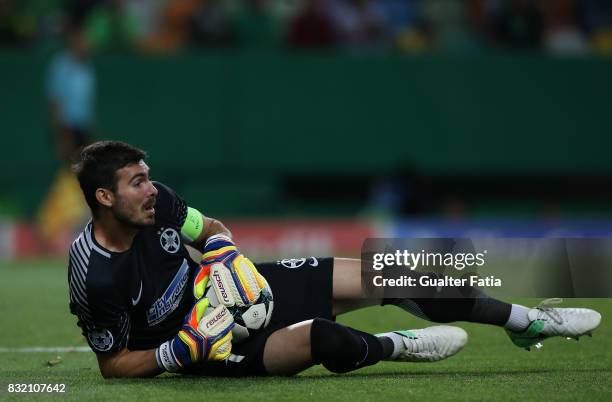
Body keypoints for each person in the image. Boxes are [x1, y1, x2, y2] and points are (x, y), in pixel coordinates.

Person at [68, 140, 602, 378]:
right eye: (136, 182)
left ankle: (525, 321)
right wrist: (178, 352)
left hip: (243, 290)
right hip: (205, 346)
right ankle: (398, 345)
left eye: (147, 177)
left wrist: (224, 254)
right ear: (105, 198)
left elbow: (209, 229)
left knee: (394, 271)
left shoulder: (158, 202)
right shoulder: (94, 275)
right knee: (323, 337)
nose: (151, 190)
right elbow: (112, 366)